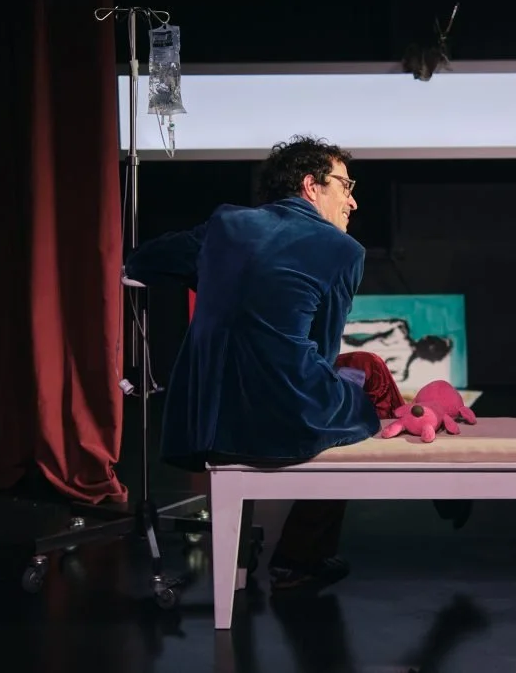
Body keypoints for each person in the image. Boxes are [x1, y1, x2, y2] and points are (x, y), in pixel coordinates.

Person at [125, 135, 405, 593]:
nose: (353, 200)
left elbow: (143, 262)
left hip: (209, 419)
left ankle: (279, 559)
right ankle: (300, 558)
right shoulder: (344, 250)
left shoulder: (226, 224)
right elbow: (322, 349)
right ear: (311, 185)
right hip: (283, 417)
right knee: (364, 387)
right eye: (345, 185)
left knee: (358, 369)